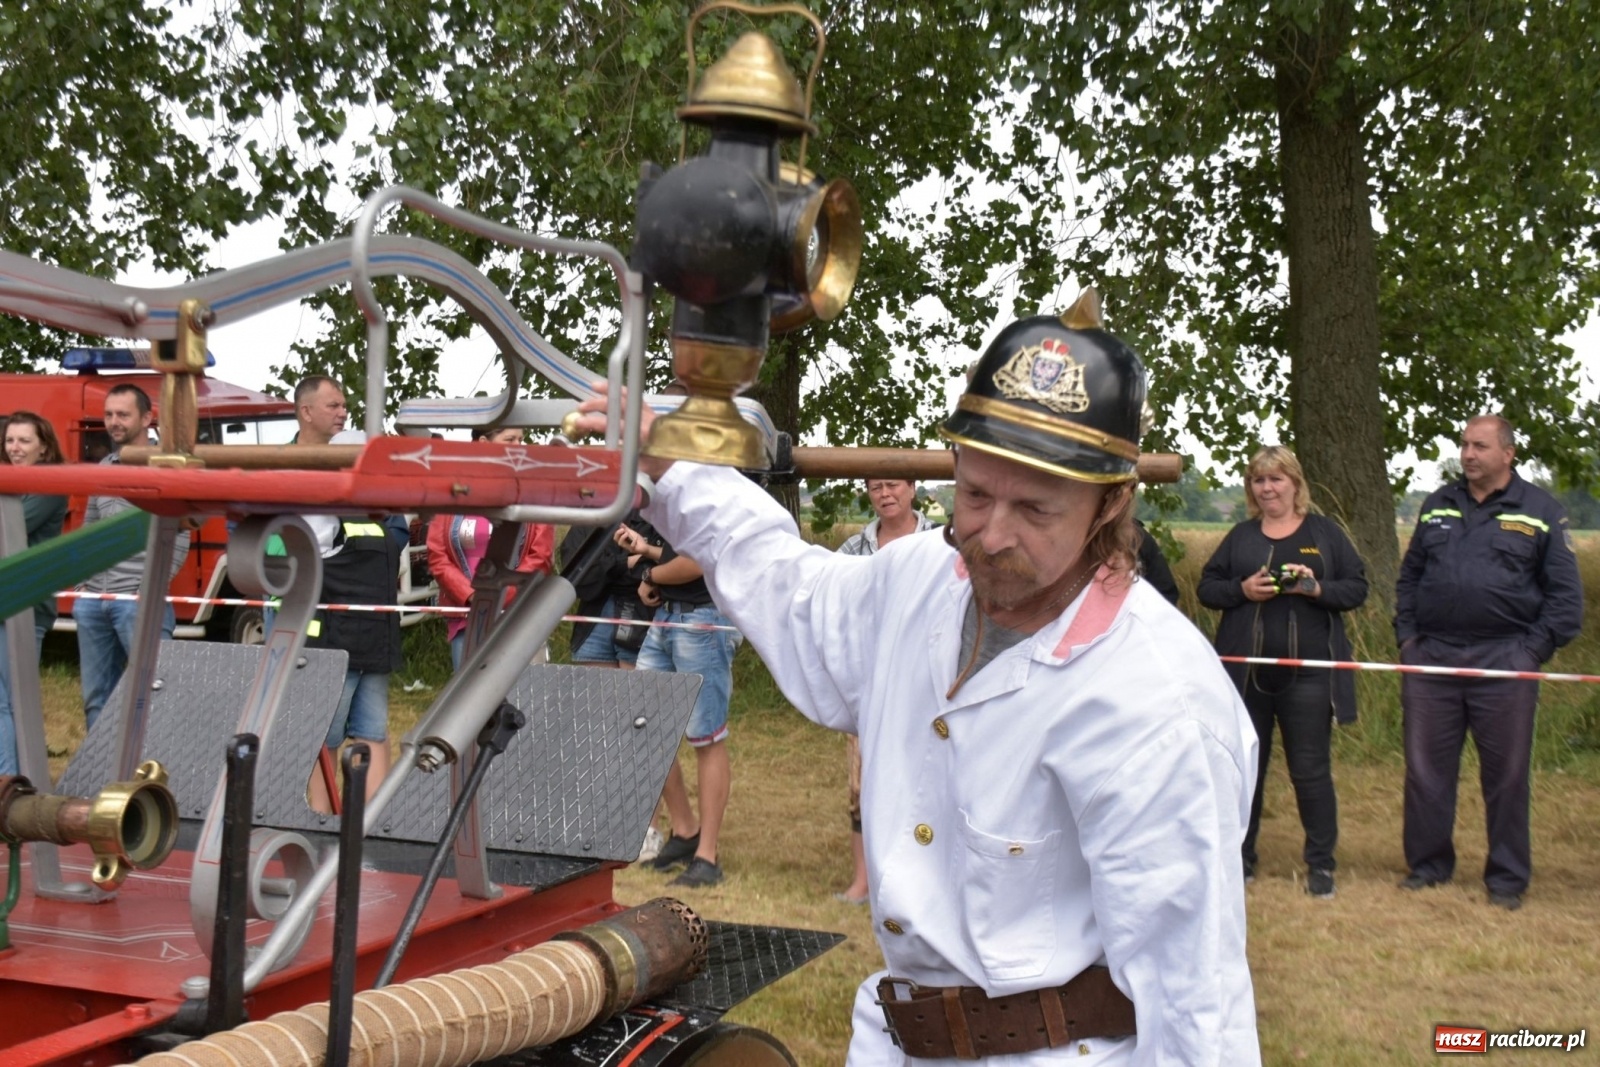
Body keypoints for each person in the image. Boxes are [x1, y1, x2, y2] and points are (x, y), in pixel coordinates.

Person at [575, 296, 1260, 1064]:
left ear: (1111, 503)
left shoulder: (1158, 705)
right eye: (975, 494)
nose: (992, 534)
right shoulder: (917, 581)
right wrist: (674, 466)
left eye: (1036, 509)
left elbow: (1195, 1004)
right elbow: (790, 588)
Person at [1394, 415, 1582, 911]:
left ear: (1508, 453)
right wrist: (1408, 639)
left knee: (1506, 776)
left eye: (1479, 446)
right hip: (1432, 657)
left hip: (1505, 660)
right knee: (1425, 771)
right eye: (1464, 445)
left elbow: (1566, 602)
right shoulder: (1438, 504)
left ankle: (1506, 878)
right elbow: (1409, 578)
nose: (1468, 454)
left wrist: (1529, 652)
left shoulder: (1540, 510)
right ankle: (1428, 866)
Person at [1196, 445, 1368, 898]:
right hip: (1246, 675)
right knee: (1245, 769)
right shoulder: (1241, 536)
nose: (1267, 488)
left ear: (1295, 484)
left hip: (1309, 676)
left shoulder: (1324, 534)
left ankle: (1321, 865)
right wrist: (1242, 589)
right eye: (1259, 480)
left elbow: (1357, 588)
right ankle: (1241, 858)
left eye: (1276, 479)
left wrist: (1315, 587)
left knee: (1309, 770)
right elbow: (1207, 588)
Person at [833, 477, 941, 905]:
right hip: (869, 683)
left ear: (913, 489)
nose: (885, 494)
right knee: (862, 784)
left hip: (930, 683)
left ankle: (924, 882)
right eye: (875, 487)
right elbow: (836, 609)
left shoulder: (944, 543)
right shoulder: (852, 550)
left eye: (893, 485)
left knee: (927, 782)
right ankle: (863, 882)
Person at [619, 519, 742, 889]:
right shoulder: (679, 502)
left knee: (706, 737)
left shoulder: (711, 499)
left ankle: (707, 857)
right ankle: (686, 830)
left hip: (703, 620)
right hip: (667, 616)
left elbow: (695, 562)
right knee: (644, 726)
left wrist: (649, 573)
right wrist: (649, 556)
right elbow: (677, 554)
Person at [77, 384, 190, 730]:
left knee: (156, 694)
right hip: (94, 602)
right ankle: (101, 764)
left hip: (139, 601)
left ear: (146, 418)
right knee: (97, 698)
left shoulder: (166, 467)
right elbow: (89, 530)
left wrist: (148, 590)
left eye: (123, 414)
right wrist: (84, 588)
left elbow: (181, 535)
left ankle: (157, 763)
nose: (114, 422)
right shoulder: (104, 467)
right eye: (109, 414)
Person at [426, 427, 556, 669]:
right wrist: (471, 596)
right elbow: (437, 553)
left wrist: (499, 596)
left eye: (521, 440)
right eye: (510, 439)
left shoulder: (535, 491)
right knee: (470, 690)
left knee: (524, 690)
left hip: (518, 615)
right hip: (467, 616)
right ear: (484, 443)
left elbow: (541, 555)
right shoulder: (453, 489)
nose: (518, 446)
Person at [0, 412, 68, 774]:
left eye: (24, 441)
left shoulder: (48, 485)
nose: (15, 448)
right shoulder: (10, 481)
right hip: (5, 603)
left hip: (25, 607)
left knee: (13, 703)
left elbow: (10, 528)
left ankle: (11, 782)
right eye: (10, 440)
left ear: (44, 447)